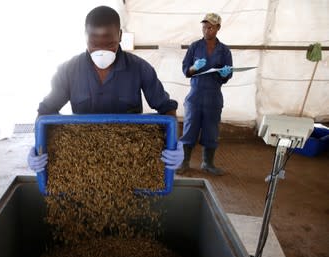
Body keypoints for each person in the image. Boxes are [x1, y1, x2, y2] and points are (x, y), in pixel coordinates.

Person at [28, 6, 183, 173]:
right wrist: (37, 146)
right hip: (83, 157)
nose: (101, 52)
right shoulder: (68, 70)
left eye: (109, 45)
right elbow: (46, 111)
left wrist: (175, 143)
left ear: (120, 36)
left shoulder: (140, 68)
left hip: (129, 157)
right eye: (94, 44)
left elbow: (166, 108)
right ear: (85, 37)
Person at [178, 13, 233, 175]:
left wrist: (225, 73)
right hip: (195, 95)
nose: (206, 30)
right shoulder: (194, 47)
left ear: (218, 28)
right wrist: (194, 68)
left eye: (210, 27)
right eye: (204, 27)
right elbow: (186, 69)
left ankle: (208, 163)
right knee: (189, 128)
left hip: (214, 95)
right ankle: (184, 162)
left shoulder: (224, 51)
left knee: (211, 130)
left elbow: (228, 73)